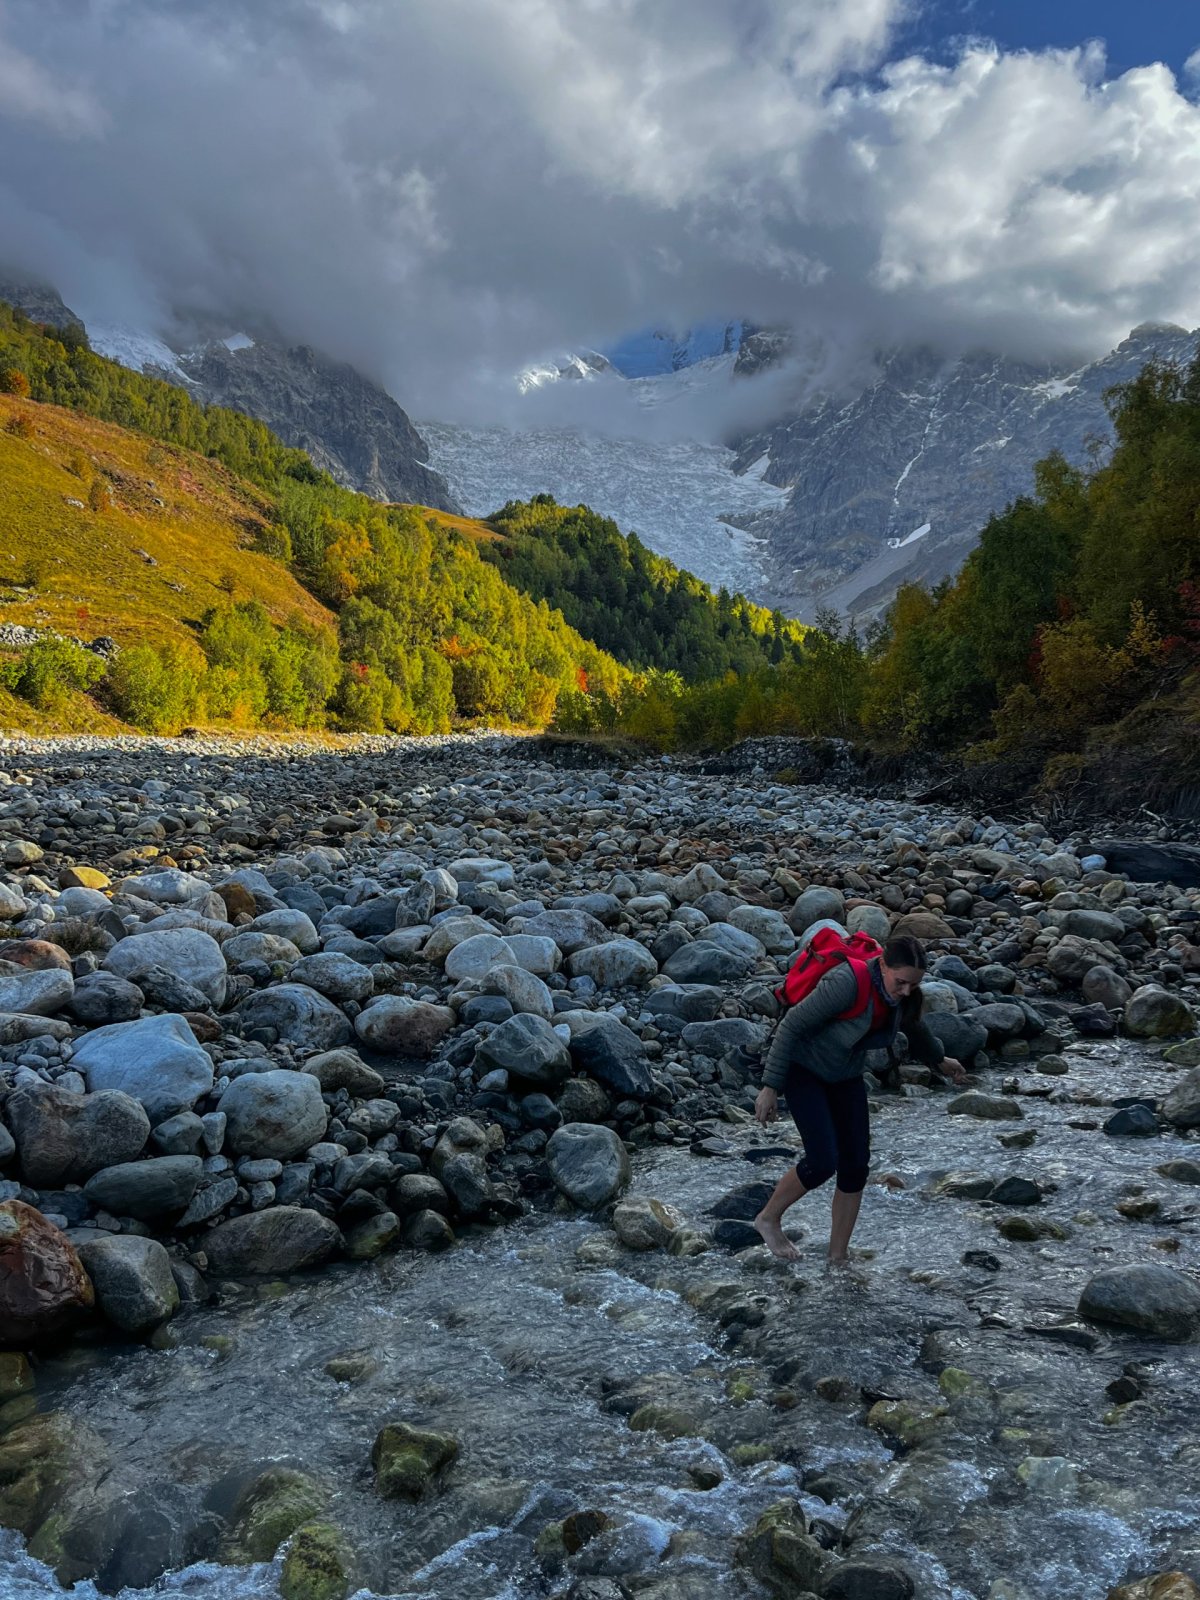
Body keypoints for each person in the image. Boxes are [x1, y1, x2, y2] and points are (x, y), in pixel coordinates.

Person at [752, 933, 966, 1263]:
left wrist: (939, 1060)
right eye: (901, 982)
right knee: (822, 1162)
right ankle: (768, 1219)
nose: (906, 991)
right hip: (803, 1070)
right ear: (883, 965)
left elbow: (913, 1026)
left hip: (844, 1074)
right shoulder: (847, 982)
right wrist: (770, 1087)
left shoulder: (902, 995)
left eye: (913, 984)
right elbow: (792, 1026)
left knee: (855, 1166)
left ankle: (838, 1258)